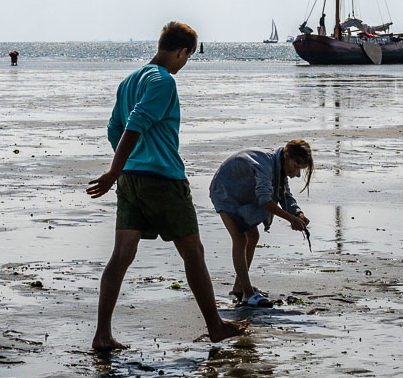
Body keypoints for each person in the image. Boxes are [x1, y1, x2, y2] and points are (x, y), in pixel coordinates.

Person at [86, 21, 246, 352]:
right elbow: (133, 125)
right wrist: (116, 169)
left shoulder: (130, 80)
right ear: (181, 51)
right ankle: (215, 326)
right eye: (186, 57)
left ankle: (102, 335)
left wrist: (126, 167)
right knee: (193, 252)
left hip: (132, 181)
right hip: (162, 179)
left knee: (121, 256)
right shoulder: (163, 82)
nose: (184, 64)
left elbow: (113, 128)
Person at [209, 139, 313, 306]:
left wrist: (297, 213)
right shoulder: (265, 163)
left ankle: (239, 287)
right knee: (240, 239)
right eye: (296, 166)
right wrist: (290, 219)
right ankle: (248, 293)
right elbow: (265, 201)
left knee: (253, 236)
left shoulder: (279, 165)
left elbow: (284, 194)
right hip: (224, 191)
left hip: (242, 193)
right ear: (287, 155)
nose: (296, 173)